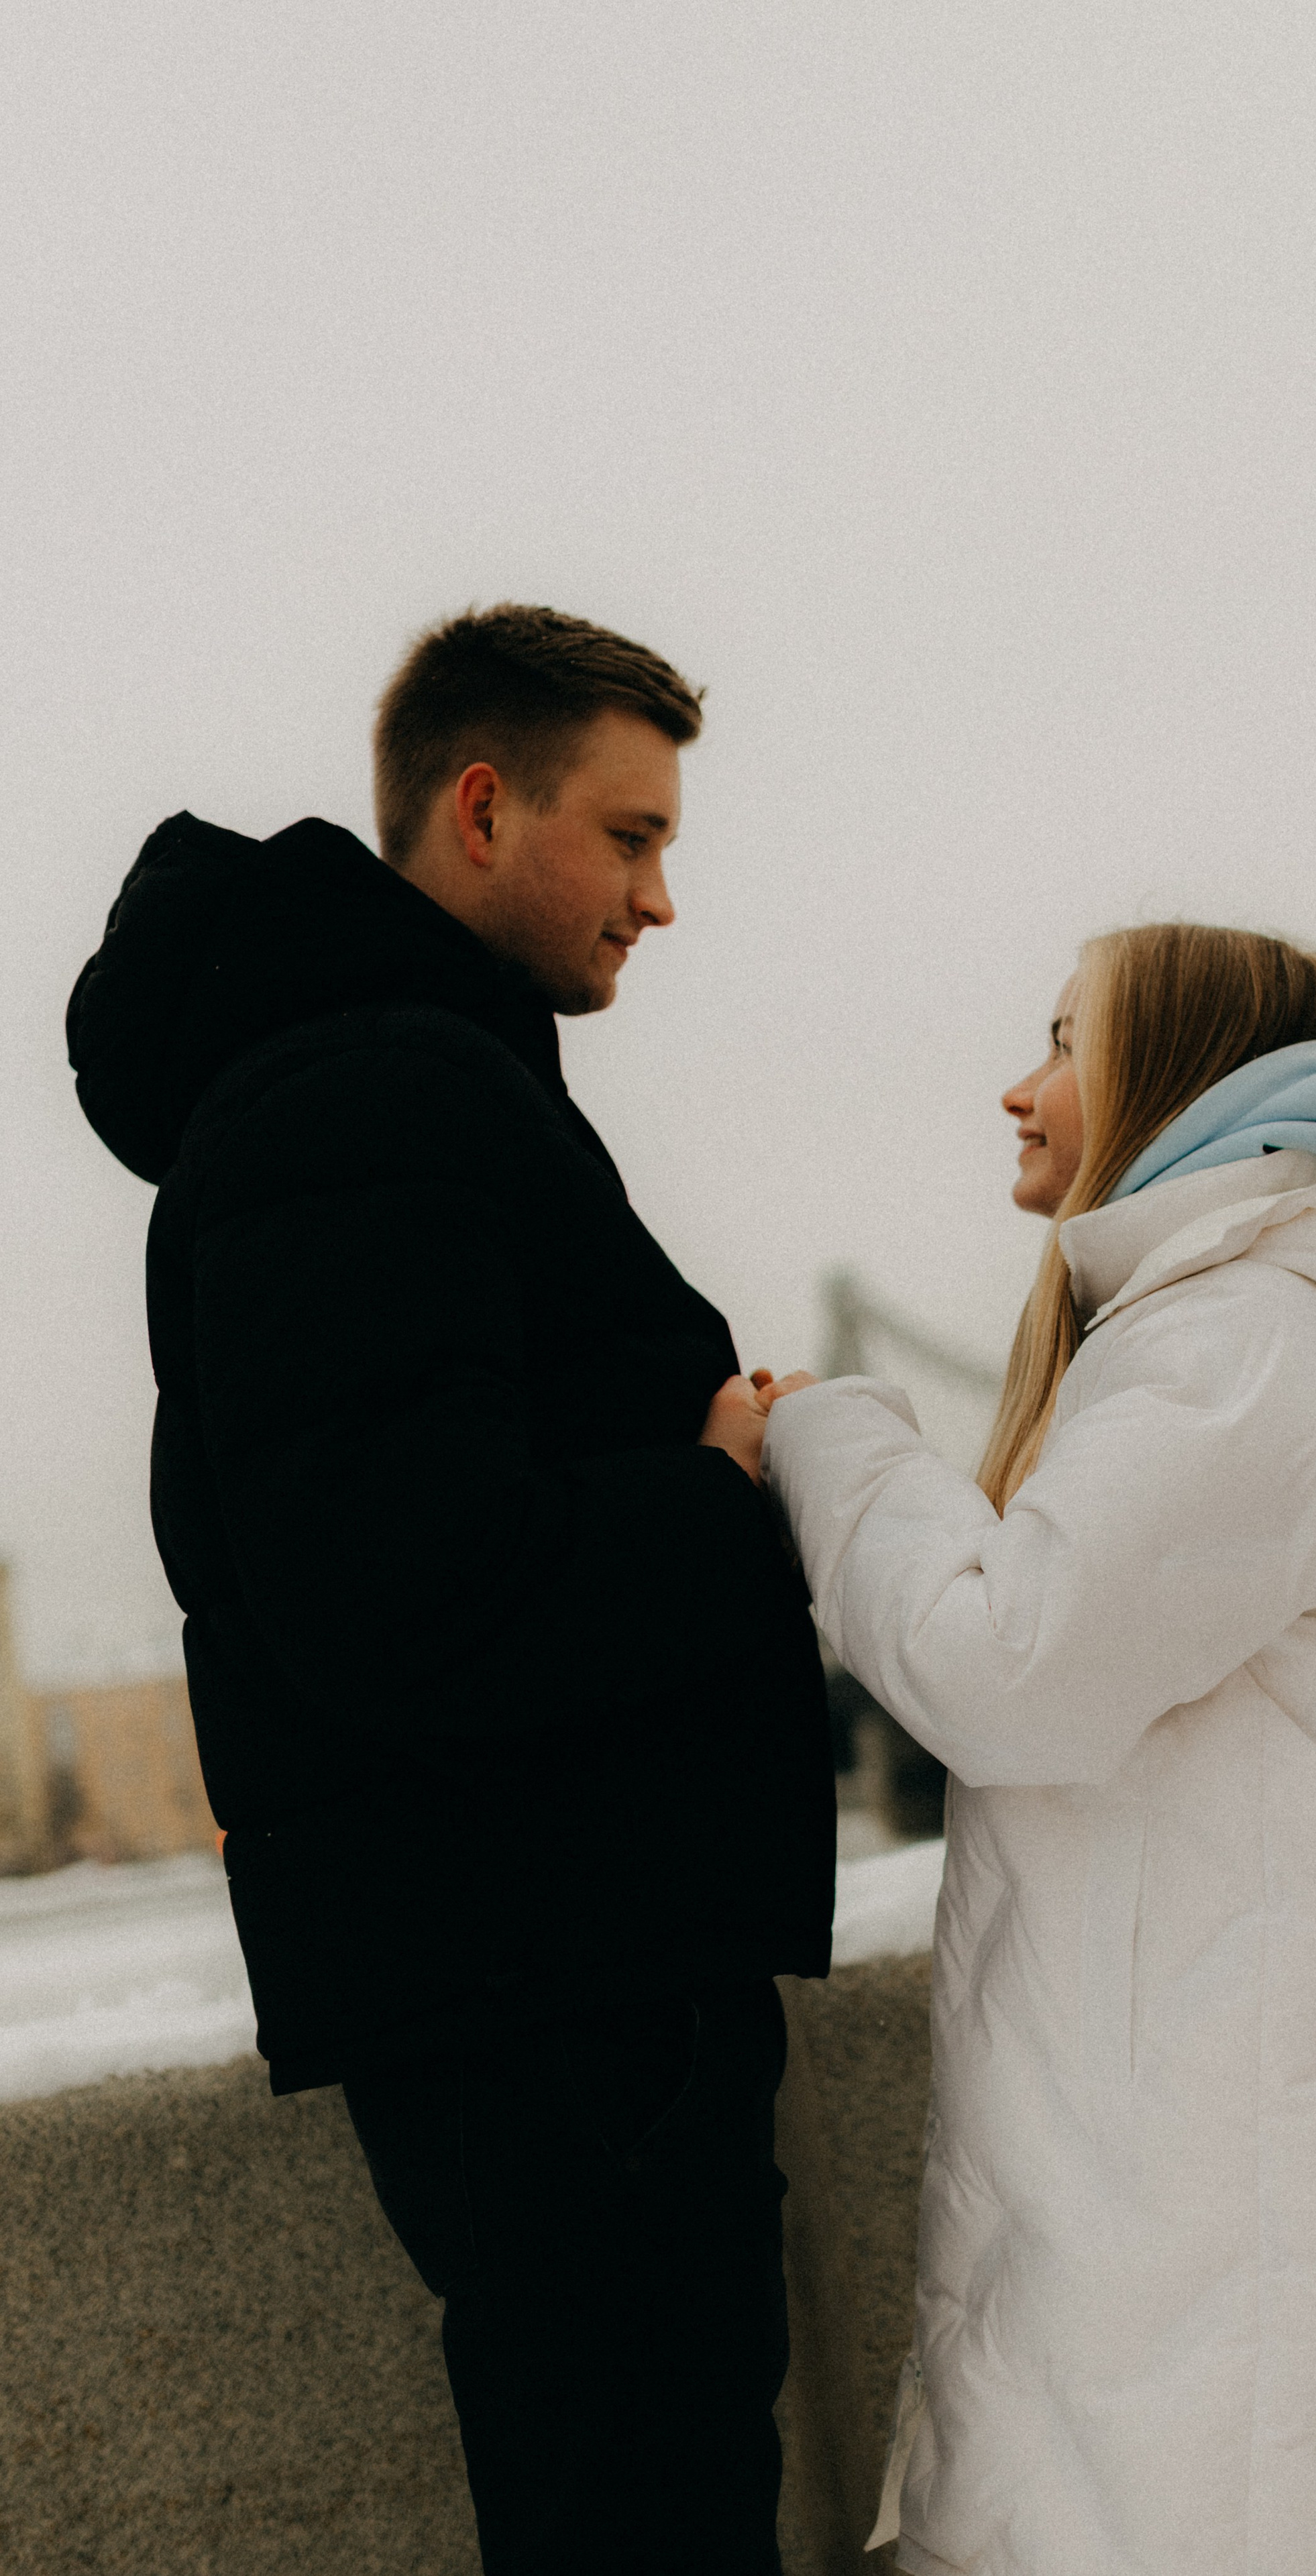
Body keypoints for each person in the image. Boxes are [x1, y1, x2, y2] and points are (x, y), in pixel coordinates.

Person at [66, 604, 834, 2575]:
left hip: (532, 1983)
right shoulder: (371, 1098)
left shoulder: (375, 1081)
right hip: (556, 2005)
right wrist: (717, 1489)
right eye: (630, 837)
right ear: (483, 810)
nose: (661, 899)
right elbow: (407, 1587)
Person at [753, 923, 1316, 2576]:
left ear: (1171, 1079)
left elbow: (1006, 1667)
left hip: (1222, 2253)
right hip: (1225, 2215)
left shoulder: (1239, 1349)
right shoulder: (1247, 1339)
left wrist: (833, 1439)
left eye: (1064, 1041)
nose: (1017, 1086)